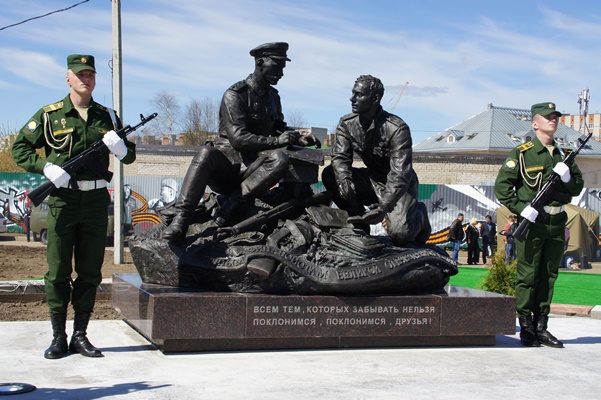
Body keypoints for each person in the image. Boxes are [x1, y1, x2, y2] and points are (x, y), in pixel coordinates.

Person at [12, 54, 136, 359]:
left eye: (90, 75)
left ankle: (80, 335)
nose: (86, 79)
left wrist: (121, 149)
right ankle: (58, 336)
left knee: (90, 271)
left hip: (95, 202)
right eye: (80, 75)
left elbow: (130, 156)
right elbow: (20, 148)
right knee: (57, 271)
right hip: (63, 201)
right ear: (68, 78)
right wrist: (46, 167)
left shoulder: (108, 116)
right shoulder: (50, 115)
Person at [162, 42, 313, 242]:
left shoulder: (273, 97)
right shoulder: (235, 95)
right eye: (277, 66)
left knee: (279, 158)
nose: (281, 73)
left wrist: (298, 137)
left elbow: (278, 125)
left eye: (283, 68)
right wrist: (277, 140)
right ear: (260, 62)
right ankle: (181, 219)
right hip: (227, 167)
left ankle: (233, 204)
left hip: (253, 168)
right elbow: (239, 138)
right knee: (205, 153)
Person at [494, 102, 583, 348]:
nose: (553, 120)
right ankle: (526, 328)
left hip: (557, 221)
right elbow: (502, 187)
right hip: (533, 223)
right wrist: (522, 209)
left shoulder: (564, 154)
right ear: (535, 123)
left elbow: (576, 187)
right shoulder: (522, 153)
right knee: (528, 275)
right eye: (547, 117)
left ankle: (541, 327)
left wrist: (567, 176)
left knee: (549, 275)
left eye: (555, 117)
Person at [321, 75, 430, 246]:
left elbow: (400, 173)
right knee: (331, 174)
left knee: (400, 235)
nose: (352, 99)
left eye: (359, 95)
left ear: (375, 98)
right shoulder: (346, 124)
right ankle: (358, 221)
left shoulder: (396, 128)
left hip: (399, 186)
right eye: (353, 93)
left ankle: (420, 214)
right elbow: (340, 157)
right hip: (371, 180)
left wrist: (384, 206)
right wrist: (344, 180)